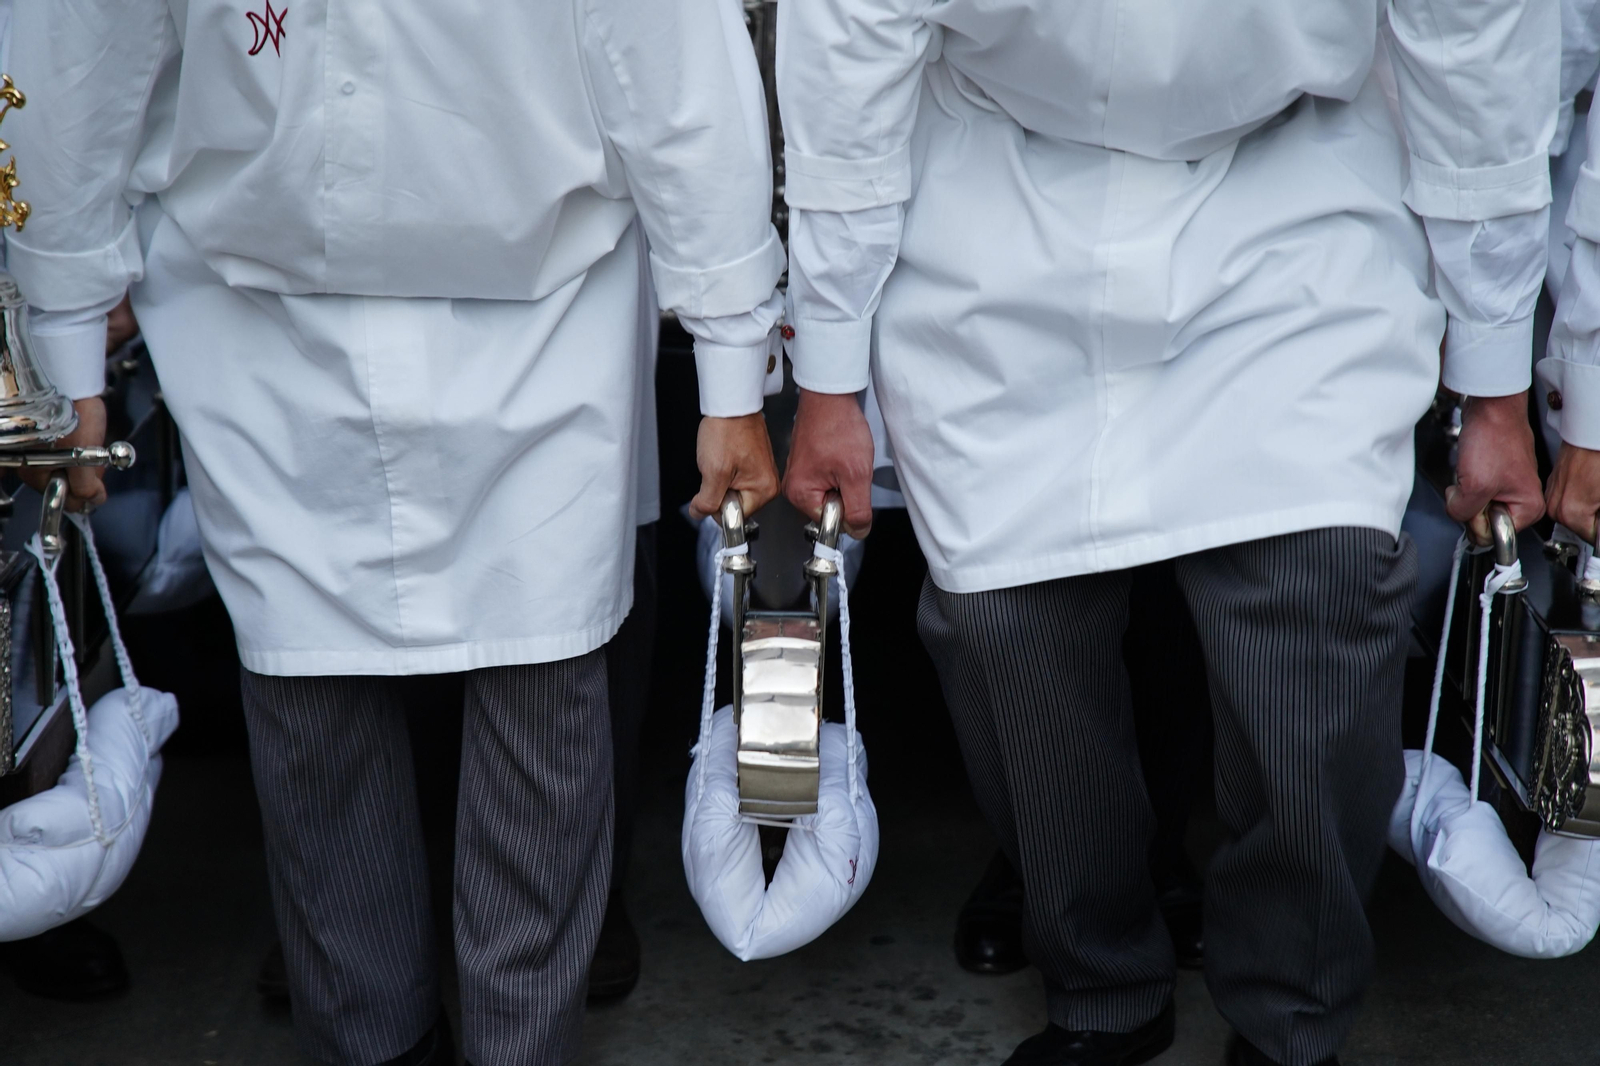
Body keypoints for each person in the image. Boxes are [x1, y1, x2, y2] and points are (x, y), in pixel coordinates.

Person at [5, 3, 784, 1065]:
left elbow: (680, 77)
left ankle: (524, 1045)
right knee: (307, 707)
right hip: (259, 325)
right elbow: (81, 59)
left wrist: (732, 368)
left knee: (544, 702)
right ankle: (371, 1046)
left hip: (543, 312)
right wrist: (67, 347)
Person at [777, 4, 1556, 1066]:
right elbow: (849, 52)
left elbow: (1472, 44)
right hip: (995, 202)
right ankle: (1098, 984)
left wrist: (1496, 382)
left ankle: (1292, 1010)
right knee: (1003, 618)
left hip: (1291, 195)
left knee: (1326, 584)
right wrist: (828, 366)